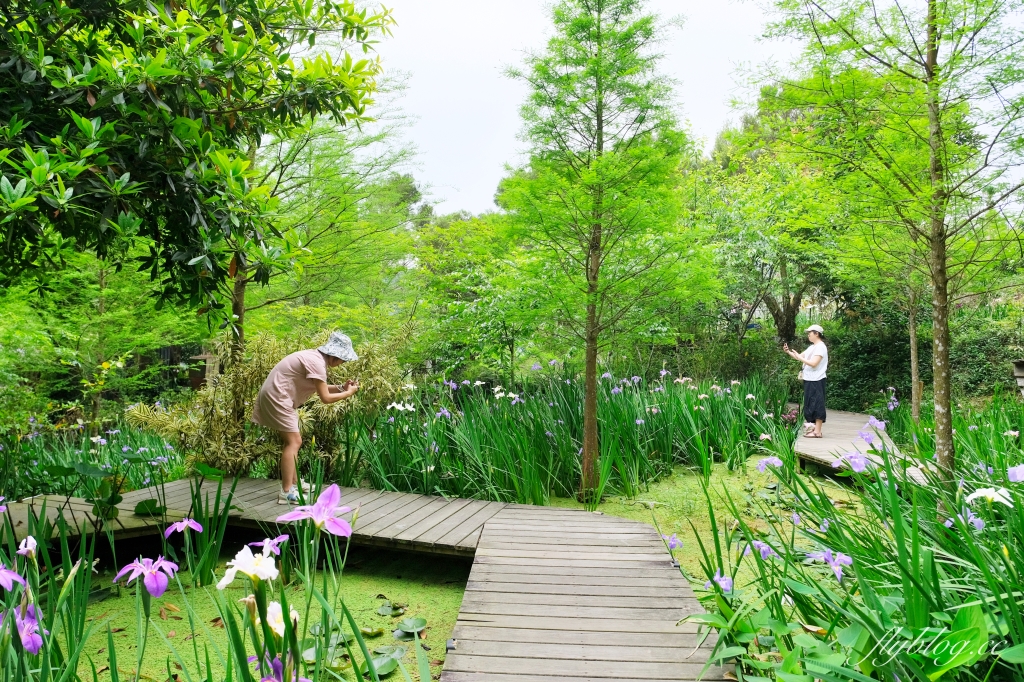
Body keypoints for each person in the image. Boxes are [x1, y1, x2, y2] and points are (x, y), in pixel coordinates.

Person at [252, 332, 360, 504]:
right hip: (278, 396)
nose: (342, 364)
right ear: (335, 355)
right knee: (294, 442)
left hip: (278, 395)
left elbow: (320, 388)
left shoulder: (315, 358)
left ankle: (294, 483)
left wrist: (341, 387)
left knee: (293, 441)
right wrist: (348, 393)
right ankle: (286, 492)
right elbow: (325, 398)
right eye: (343, 360)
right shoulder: (317, 363)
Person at [784, 324, 829, 438]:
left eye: (810, 332)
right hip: (809, 378)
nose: (808, 334)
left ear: (816, 334)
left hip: (817, 379)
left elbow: (814, 363)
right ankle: (813, 429)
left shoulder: (820, 347)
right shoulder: (812, 347)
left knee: (818, 403)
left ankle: (818, 431)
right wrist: (789, 352)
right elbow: (800, 356)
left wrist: (800, 358)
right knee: (810, 403)